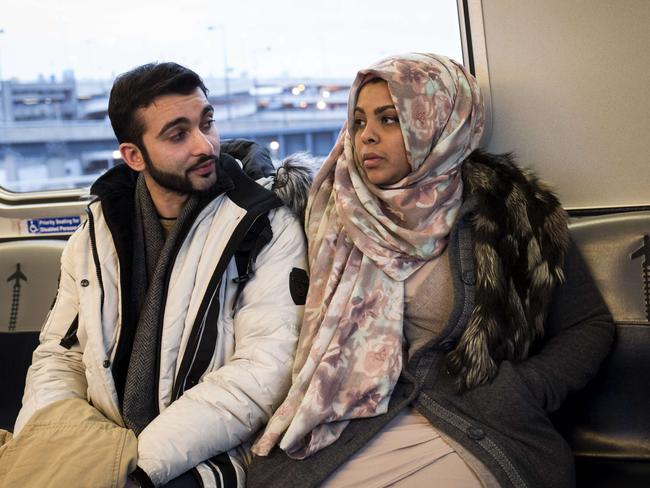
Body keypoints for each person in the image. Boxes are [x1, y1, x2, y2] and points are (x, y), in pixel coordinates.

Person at [246, 53, 615, 487]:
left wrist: (525, 388)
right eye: (359, 121)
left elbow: (588, 325)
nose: (366, 137)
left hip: (475, 420)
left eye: (389, 120)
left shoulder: (509, 213)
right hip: (357, 420)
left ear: (438, 123)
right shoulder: (335, 211)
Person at [13, 62, 310, 487]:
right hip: (102, 437)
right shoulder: (97, 233)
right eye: (178, 134)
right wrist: (53, 438)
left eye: (206, 123)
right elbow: (60, 354)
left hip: (212, 452)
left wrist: (134, 467)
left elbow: (262, 372)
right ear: (134, 156)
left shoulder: (262, 226)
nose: (205, 146)